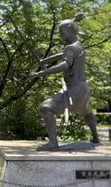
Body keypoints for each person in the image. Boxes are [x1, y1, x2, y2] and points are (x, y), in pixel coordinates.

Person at [29, 13, 99, 150]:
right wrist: (45, 61)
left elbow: (65, 64)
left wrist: (41, 72)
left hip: (74, 89)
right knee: (87, 112)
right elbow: (62, 55)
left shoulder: (70, 48)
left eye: (61, 31)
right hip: (83, 89)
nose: (60, 34)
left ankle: (53, 143)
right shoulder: (78, 46)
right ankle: (96, 137)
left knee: (45, 107)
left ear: (68, 30)